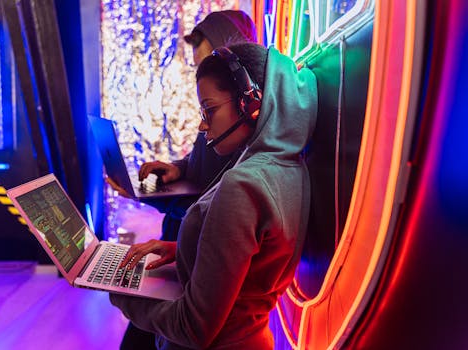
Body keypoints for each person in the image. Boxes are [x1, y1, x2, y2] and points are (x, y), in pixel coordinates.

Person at [110, 42, 318, 349]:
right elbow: (248, 267)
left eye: (210, 109)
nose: (203, 124)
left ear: (251, 102)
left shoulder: (244, 185)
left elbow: (192, 328)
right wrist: (183, 251)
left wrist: (120, 291)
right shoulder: (287, 168)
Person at [115, 10, 258, 349]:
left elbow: (211, 207)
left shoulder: (247, 151)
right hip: (181, 249)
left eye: (208, 62)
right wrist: (178, 169)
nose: (203, 125)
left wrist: (148, 200)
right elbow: (200, 163)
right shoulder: (218, 118)